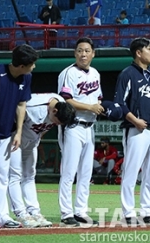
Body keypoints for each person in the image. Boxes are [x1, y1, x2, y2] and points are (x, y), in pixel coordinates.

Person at [0, 44, 39, 229]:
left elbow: (21, 106)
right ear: (22, 65)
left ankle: (3, 215)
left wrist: (18, 132)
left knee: (2, 176)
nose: (34, 67)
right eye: (32, 64)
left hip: (6, 133)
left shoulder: (26, 77)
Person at [114, 37, 150, 225]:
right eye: (149, 49)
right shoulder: (127, 74)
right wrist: (134, 120)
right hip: (136, 129)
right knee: (131, 171)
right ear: (139, 53)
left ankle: (148, 210)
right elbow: (119, 103)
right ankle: (128, 212)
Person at [9, 93, 77, 228]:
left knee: (29, 176)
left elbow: (44, 127)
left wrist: (37, 137)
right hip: (14, 139)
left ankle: (34, 212)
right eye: (57, 121)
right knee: (14, 176)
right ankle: (21, 213)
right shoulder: (33, 106)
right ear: (54, 111)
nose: (56, 124)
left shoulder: (61, 105)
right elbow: (12, 114)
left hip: (31, 141)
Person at [57, 37, 102, 227]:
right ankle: (66, 212)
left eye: (86, 50)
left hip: (89, 127)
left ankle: (81, 210)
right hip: (73, 126)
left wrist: (98, 107)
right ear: (75, 53)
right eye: (79, 50)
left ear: (93, 53)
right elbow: (66, 100)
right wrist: (90, 107)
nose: (83, 54)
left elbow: (98, 98)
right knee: (69, 172)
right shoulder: (68, 73)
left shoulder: (95, 73)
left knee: (85, 172)